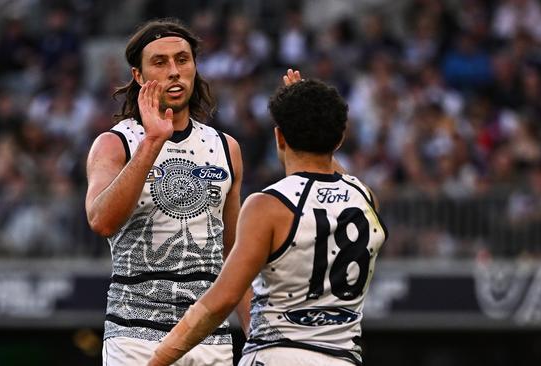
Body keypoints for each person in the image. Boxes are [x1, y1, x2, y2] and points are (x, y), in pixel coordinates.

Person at [148, 75, 388, 366]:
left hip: (277, 354)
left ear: (279, 137)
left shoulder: (268, 206)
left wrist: (158, 359)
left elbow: (221, 300)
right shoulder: (366, 199)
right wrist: (309, 115)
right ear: (339, 139)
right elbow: (336, 174)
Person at [85, 18, 248, 366]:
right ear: (139, 76)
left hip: (210, 341)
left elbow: (235, 254)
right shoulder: (115, 143)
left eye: (182, 60)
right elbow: (101, 221)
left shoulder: (226, 147)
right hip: (134, 338)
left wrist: (258, 337)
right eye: (160, 62)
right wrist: (153, 142)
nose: (174, 71)